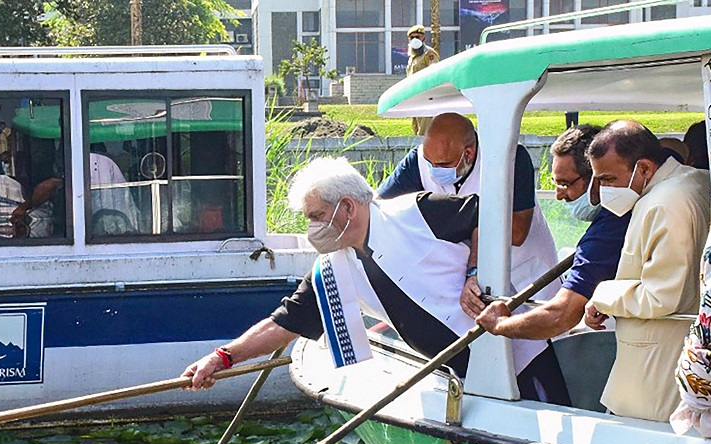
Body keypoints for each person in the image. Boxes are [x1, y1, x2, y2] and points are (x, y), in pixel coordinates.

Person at [182, 157, 570, 405]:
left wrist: (474, 271)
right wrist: (222, 357)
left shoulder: (416, 212)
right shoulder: (332, 268)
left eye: (316, 216)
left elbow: (486, 217)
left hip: (517, 353)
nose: (311, 228)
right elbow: (282, 324)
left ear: (347, 207)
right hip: (464, 376)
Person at [582, 120, 710, 421]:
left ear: (644, 169)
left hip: (659, 373)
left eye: (609, 178)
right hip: (678, 361)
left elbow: (662, 296)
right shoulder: (696, 181)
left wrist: (602, 295)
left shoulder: (662, 203)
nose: (603, 191)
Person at [377, 112, 561, 312]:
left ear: (469, 153)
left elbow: (516, 233)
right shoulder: (418, 162)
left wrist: (461, 221)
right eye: (430, 162)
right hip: (469, 284)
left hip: (527, 273)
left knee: (542, 334)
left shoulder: (509, 158)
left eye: (444, 165)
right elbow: (381, 208)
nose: (434, 171)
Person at [476, 125, 631, 340]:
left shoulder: (608, 230)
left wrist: (500, 324)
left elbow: (561, 315)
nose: (559, 196)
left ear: (597, 176)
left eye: (565, 184)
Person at [404, 25, 440, 136]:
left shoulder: (429, 54)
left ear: (423, 38)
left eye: (417, 37)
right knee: (415, 127)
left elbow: (435, 73)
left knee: (424, 131)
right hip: (414, 96)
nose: (415, 40)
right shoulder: (412, 57)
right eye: (412, 38)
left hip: (426, 96)